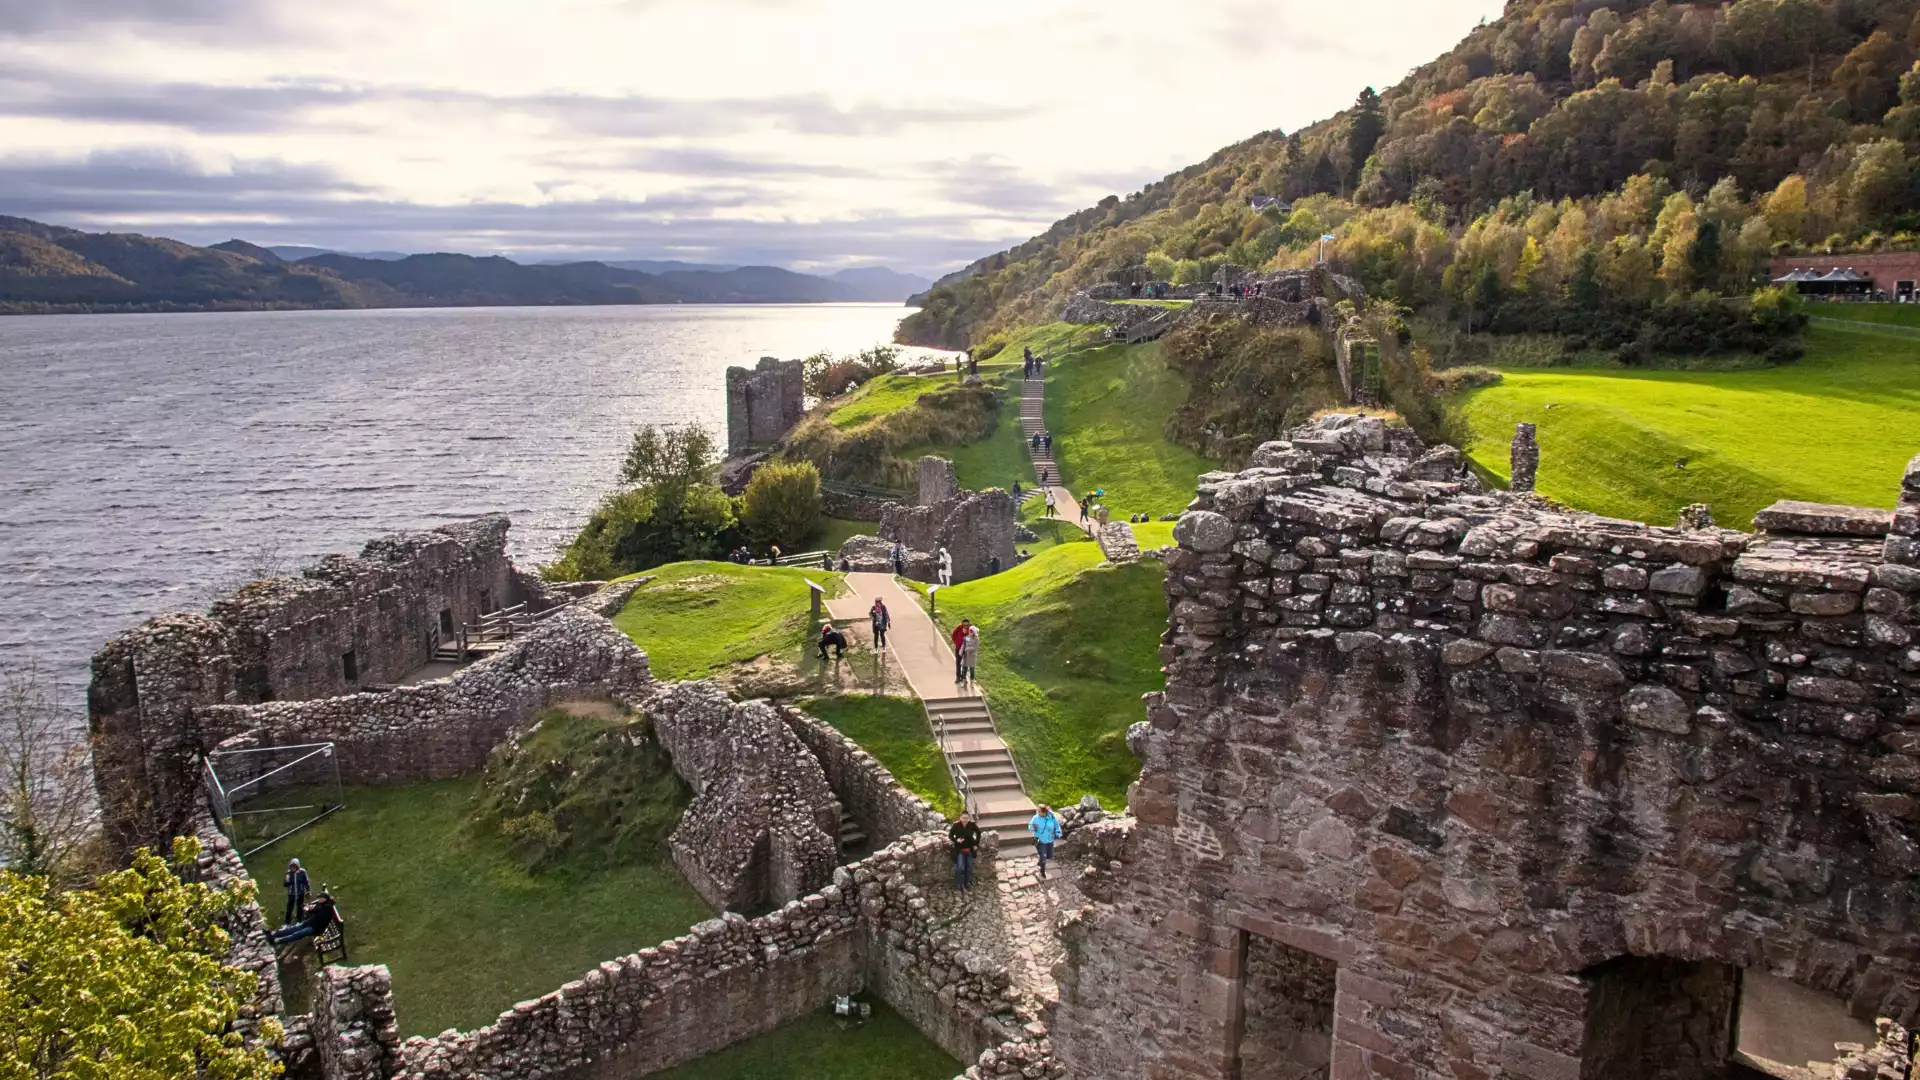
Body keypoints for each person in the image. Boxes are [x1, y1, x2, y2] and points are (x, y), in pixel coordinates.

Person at [268, 891, 337, 946]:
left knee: (297, 934)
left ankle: (277, 941)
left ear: (324, 899)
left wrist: (312, 910)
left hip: (316, 928)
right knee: (293, 929)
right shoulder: (321, 904)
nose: (318, 899)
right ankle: (273, 933)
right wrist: (310, 909)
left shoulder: (327, 909)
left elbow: (318, 918)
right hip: (310, 923)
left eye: (320, 898)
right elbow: (314, 912)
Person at [949, 813, 982, 889]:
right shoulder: (956, 825)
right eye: (963, 818)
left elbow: (978, 832)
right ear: (960, 818)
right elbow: (950, 835)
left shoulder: (971, 825)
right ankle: (958, 884)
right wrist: (956, 840)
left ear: (968, 818)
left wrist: (976, 844)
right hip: (960, 850)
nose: (965, 820)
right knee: (960, 867)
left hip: (969, 850)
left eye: (966, 818)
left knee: (969, 867)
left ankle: (967, 883)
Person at [1029, 806, 1062, 878]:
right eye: (1037, 811)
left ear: (1044, 812)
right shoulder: (1036, 818)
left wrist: (1058, 833)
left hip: (1050, 840)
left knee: (1049, 855)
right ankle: (1042, 871)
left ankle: (1040, 860)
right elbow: (1030, 827)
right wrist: (1033, 827)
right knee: (1043, 856)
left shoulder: (1052, 817)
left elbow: (1057, 825)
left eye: (1039, 811)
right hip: (1040, 841)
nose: (1038, 813)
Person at [283, 858, 309, 926]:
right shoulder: (288, 873)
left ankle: (299, 921)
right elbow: (285, 884)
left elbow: (306, 881)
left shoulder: (302, 872)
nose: (293, 868)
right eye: (292, 866)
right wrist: (287, 881)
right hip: (291, 893)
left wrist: (308, 890)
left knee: (299, 907)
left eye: (295, 866)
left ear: (298, 866)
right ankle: (287, 923)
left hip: (300, 893)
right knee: (289, 908)